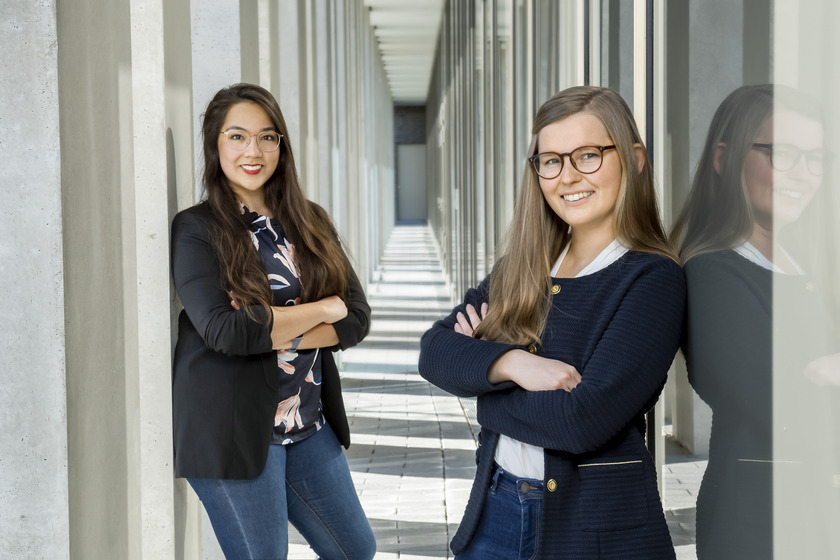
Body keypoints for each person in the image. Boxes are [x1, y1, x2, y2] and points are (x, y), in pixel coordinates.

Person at [418, 85, 684, 559]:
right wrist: (515, 365)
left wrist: (481, 385)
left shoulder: (651, 277)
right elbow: (435, 352)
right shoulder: (526, 264)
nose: (566, 177)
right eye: (551, 161)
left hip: (593, 529)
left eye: (587, 155)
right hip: (495, 509)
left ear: (634, 158)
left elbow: (579, 421)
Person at [170, 83, 376, 560]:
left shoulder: (311, 221)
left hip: (306, 419)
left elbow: (358, 318)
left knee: (355, 549)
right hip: (233, 428)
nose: (253, 151)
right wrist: (324, 309)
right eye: (237, 136)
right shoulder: (197, 229)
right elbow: (225, 331)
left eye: (267, 137)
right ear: (215, 144)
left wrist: (271, 324)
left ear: (282, 146)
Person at [670, 84, 840, 558]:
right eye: (783, 154)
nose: (803, 174)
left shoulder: (807, 263)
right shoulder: (710, 272)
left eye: (816, 157)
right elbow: (781, 402)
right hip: (760, 527)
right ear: (725, 158)